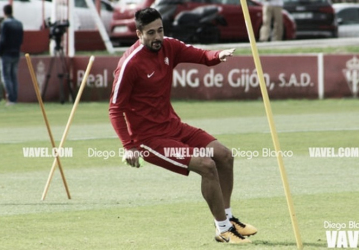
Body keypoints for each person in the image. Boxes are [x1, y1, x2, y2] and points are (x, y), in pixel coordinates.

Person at [109, 8, 257, 244]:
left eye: (160, 30)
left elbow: (200, 55)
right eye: (150, 33)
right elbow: (115, 109)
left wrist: (218, 55)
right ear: (138, 34)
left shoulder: (168, 45)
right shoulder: (129, 64)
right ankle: (222, 230)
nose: (158, 37)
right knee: (207, 165)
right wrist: (128, 146)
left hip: (173, 126)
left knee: (224, 155)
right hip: (149, 140)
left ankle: (228, 220)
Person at [0, 4, 23, 105]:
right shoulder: (19, 23)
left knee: (6, 77)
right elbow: (21, 39)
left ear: (4, 12)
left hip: (6, 53)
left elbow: (3, 40)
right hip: (16, 52)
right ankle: (14, 98)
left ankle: (11, 99)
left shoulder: (5, 24)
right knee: (13, 76)